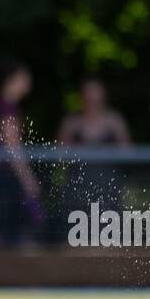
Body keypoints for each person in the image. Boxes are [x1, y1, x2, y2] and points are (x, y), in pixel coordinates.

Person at [0, 58, 42, 248]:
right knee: (13, 232)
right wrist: (29, 181)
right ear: (12, 78)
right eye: (24, 77)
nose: (28, 82)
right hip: (4, 181)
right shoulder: (6, 109)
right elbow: (13, 148)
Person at [57, 78, 131, 211]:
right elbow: (60, 155)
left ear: (104, 96)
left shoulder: (115, 121)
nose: (92, 100)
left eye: (96, 97)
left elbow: (128, 152)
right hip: (78, 188)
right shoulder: (71, 123)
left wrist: (106, 151)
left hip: (108, 187)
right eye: (88, 96)